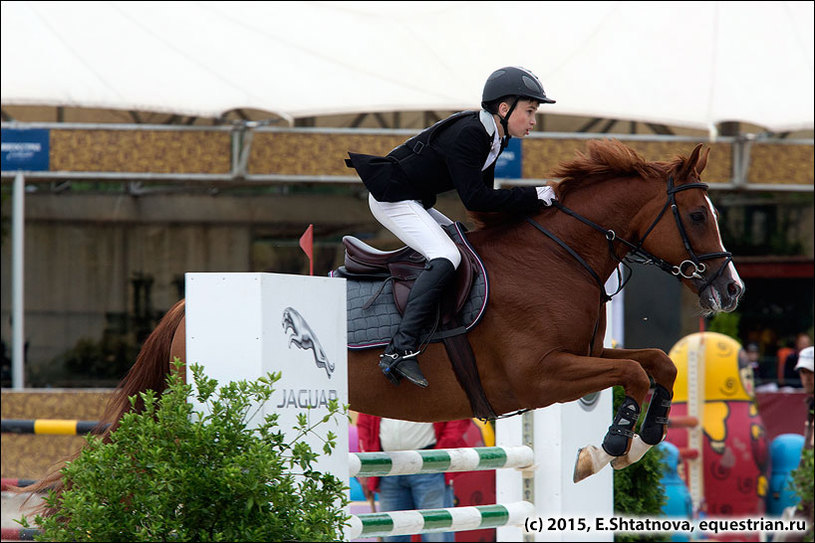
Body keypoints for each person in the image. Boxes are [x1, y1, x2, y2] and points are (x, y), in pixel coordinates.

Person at [345, 66, 558, 388]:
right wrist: (534, 196)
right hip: (392, 198)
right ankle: (400, 349)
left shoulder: (494, 138)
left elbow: (483, 202)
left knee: (464, 245)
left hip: (413, 200)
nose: (533, 120)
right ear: (504, 108)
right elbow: (476, 198)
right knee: (447, 256)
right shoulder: (472, 134)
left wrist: (529, 210)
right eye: (529, 111)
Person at [355, 414, 471, 542]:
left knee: (435, 534)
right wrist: (366, 464)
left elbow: (458, 415)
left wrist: (441, 454)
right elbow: (364, 423)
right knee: (394, 535)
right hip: (388, 466)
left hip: (428, 463)